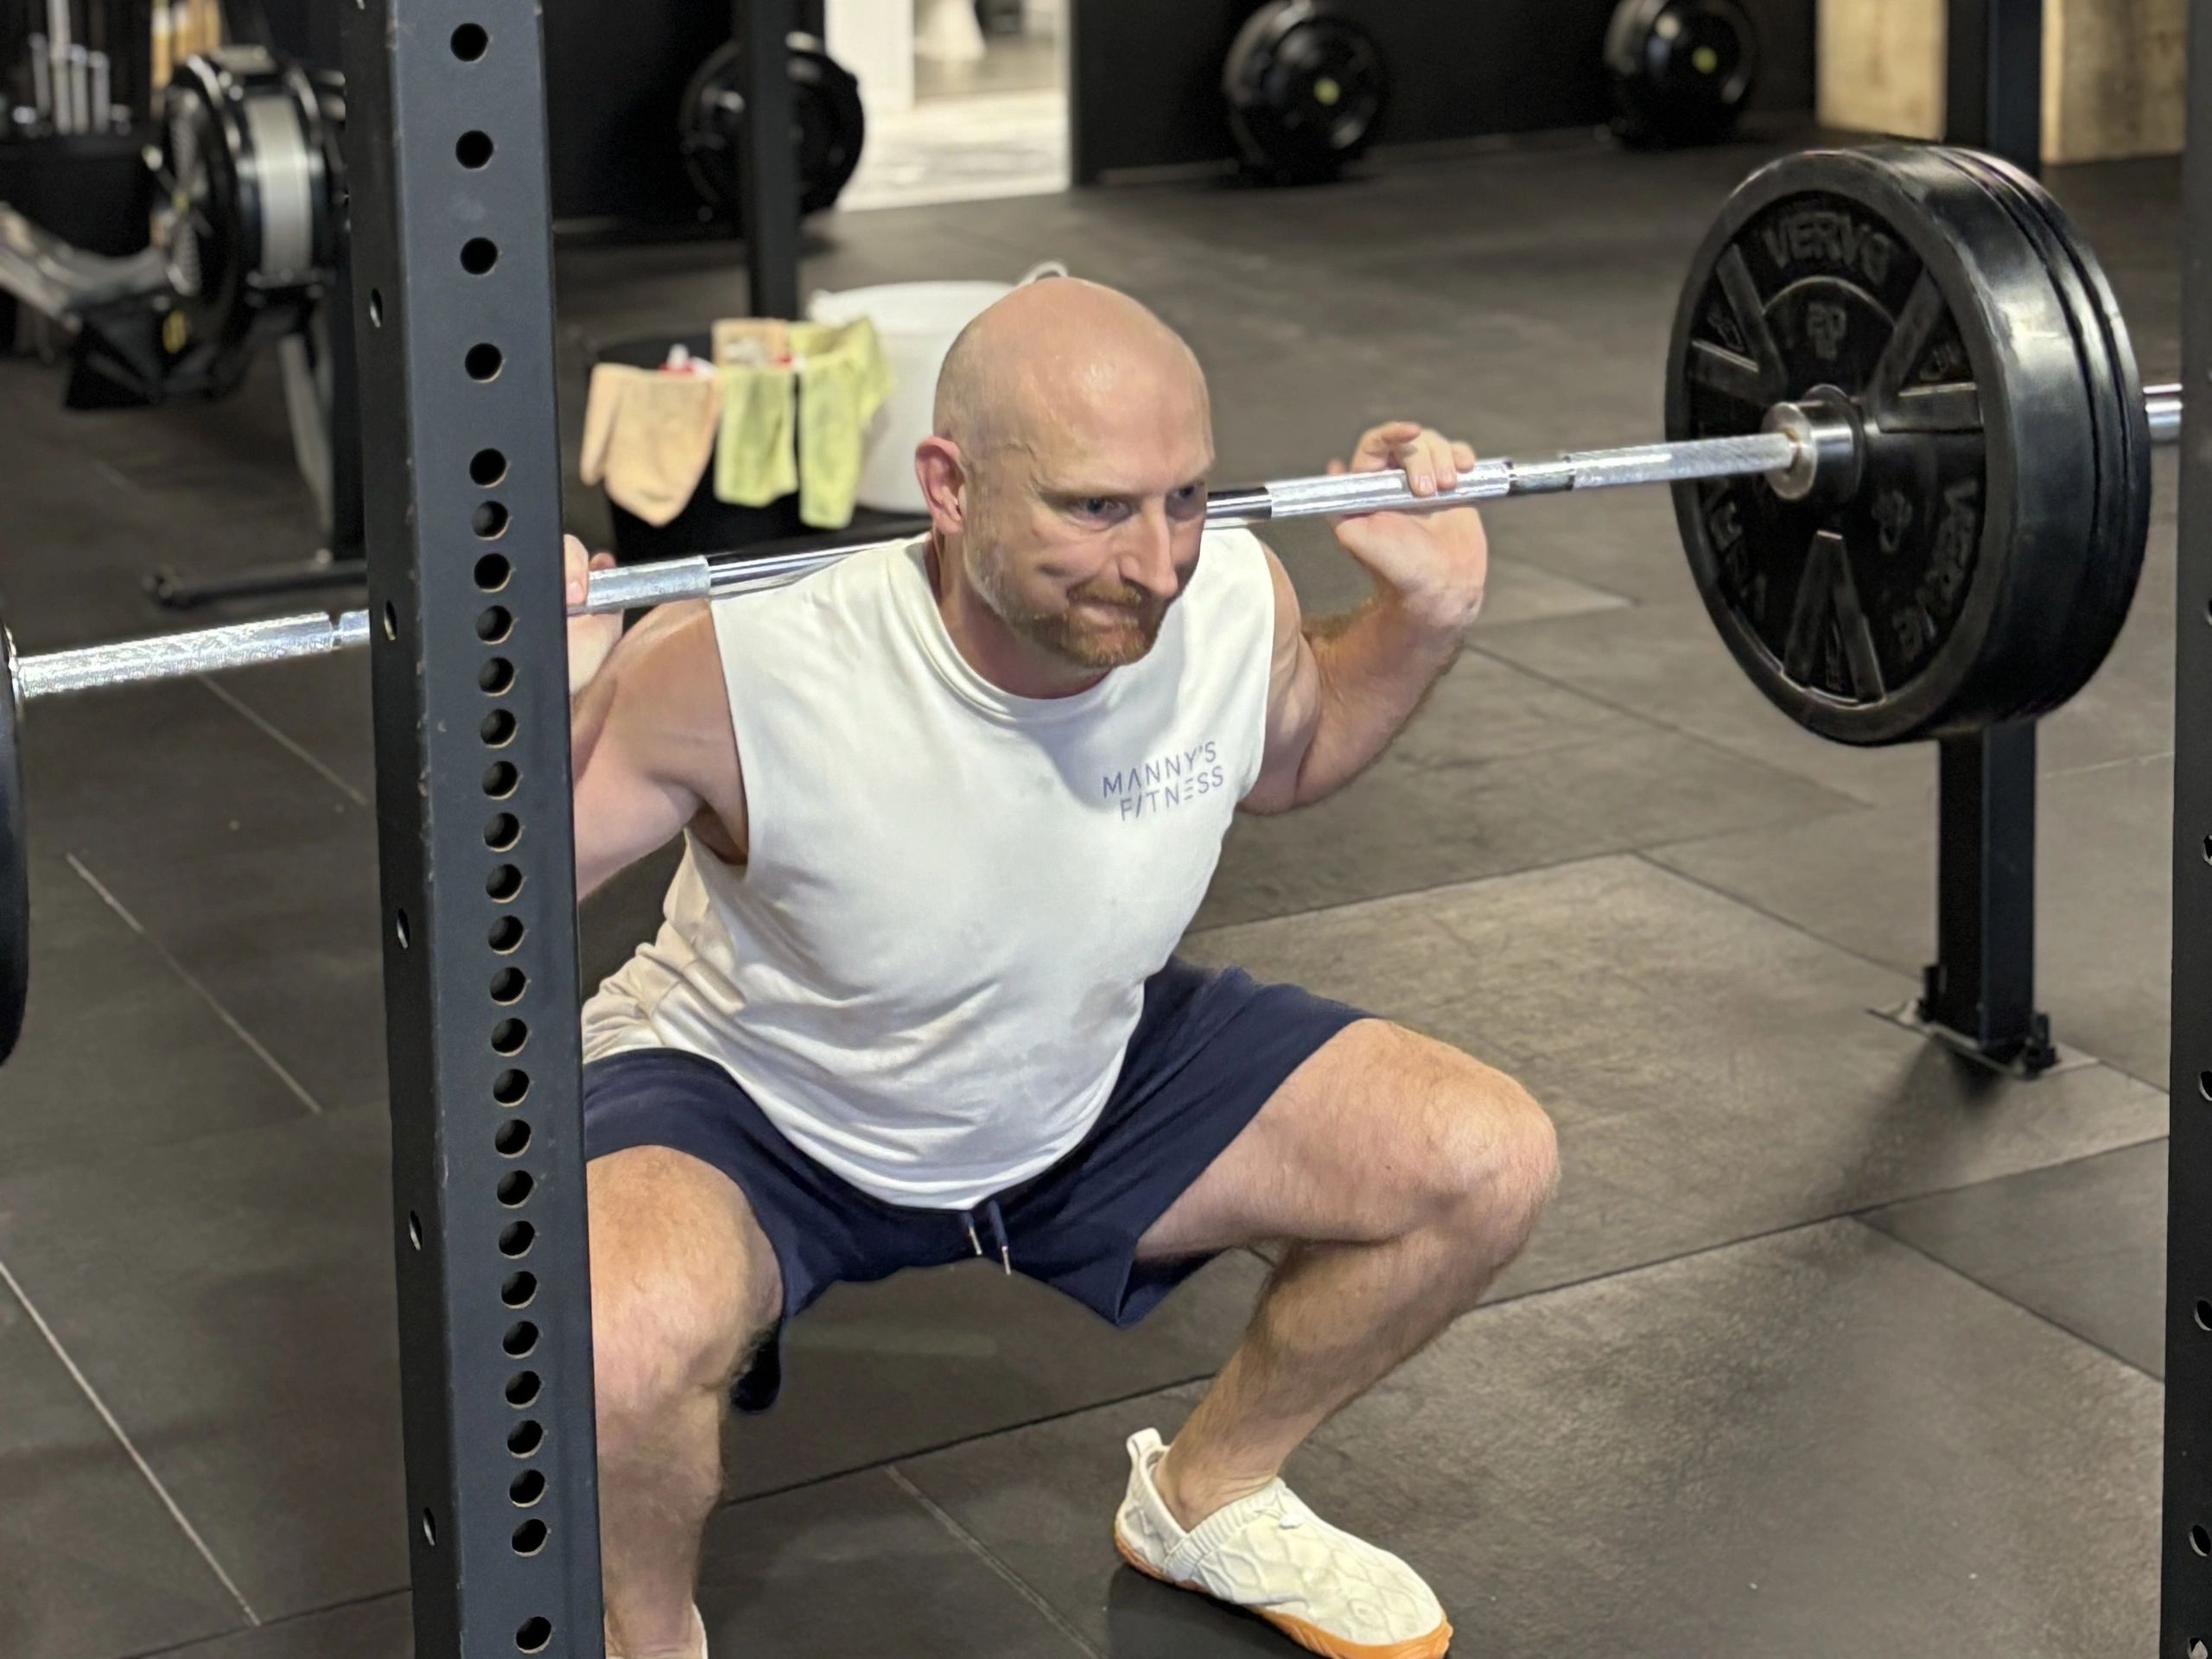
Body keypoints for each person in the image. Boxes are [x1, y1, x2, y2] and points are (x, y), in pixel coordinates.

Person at [565, 276, 1560, 1659]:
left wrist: (1424, 618)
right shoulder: (741, 672)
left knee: (1485, 1160)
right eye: (1095, 510)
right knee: (617, 1334)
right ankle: (642, 1633)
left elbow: (1295, 749)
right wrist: (524, 717)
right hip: (760, 1098)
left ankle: (1206, 1499)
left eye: (1187, 499)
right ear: (948, 486)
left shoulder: (1226, 604)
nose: (1155, 563)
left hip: (1077, 1065)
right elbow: (495, 902)